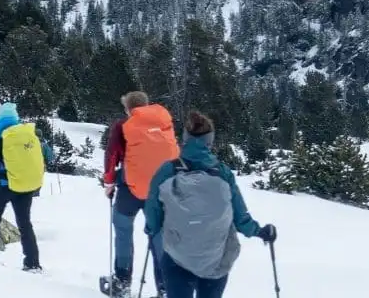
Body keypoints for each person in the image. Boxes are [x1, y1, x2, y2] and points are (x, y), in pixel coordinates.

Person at [143, 112, 278, 298]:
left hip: (177, 256)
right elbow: (240, 218)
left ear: (185, 138)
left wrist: (151, 227)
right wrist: (259, 231)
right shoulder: (222, 173)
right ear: (210, 141)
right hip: (216, 259)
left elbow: (152, 209)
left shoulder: (167, 171)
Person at [102, 91, 178, 296]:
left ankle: (122, 281)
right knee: (159, 236)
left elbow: (112, 156)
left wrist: (109, 182)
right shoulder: (163, 122)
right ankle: (166, 287)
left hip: (131, 189)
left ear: (129, 109)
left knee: (123, 230)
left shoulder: (123, 127)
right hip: (161, 191)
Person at [0, 102, 54, 272]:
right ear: (15, 117)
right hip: (25, 186)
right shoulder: (26, 134)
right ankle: (32, 262)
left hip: (2, 185)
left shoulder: (1, 136)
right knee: (25, 224)